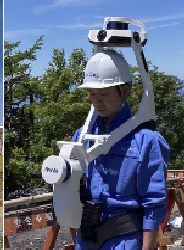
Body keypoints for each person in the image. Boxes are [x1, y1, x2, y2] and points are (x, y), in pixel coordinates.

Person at [72, 50, 170, 250]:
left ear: (124, 90)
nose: (97, 101)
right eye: (92, 94)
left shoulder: (146, 140)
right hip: (87, 238)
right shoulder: (82, 136)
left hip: (125, 240)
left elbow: (153, 203)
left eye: (104, 93)